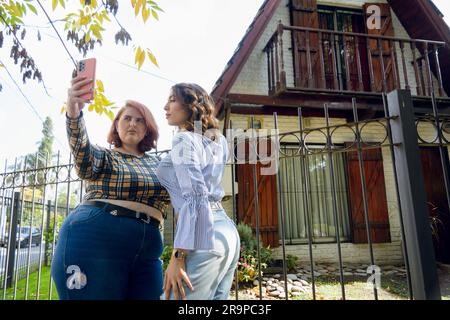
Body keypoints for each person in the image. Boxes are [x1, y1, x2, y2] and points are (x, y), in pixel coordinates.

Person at [51, 74, 169, 300]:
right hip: (95, 239)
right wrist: (74, 111)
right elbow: (82, 152)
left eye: (139, 120)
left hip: (149, 248)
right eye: (127, 118)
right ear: (116, 125)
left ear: (148, 128)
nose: (133, 123)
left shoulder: (161, 164)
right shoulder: (104, 156)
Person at [156, 83, 240, 300]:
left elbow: (195, 196)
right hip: (227, 232)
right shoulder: (218, 140)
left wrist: (178, 256)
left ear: (191, 105)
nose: (165, 106)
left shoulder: (183, 139)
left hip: (204, 234)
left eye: (172, 100)